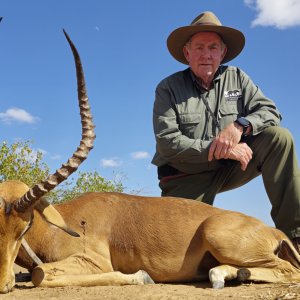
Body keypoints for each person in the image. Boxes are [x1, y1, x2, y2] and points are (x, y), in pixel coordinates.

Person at [152, 11, 300, 251]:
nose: (206, 55)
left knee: (279, 138)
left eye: (213, 47)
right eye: (199, 47)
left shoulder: (238, 77)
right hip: (186, 175)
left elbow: (270, 111)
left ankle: (294, 238)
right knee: (176, 250)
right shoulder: (168, 88)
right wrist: (219, 148)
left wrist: (240, 125)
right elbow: (168, 143)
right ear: (187, 53)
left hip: (233, 167)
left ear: (222, 53)